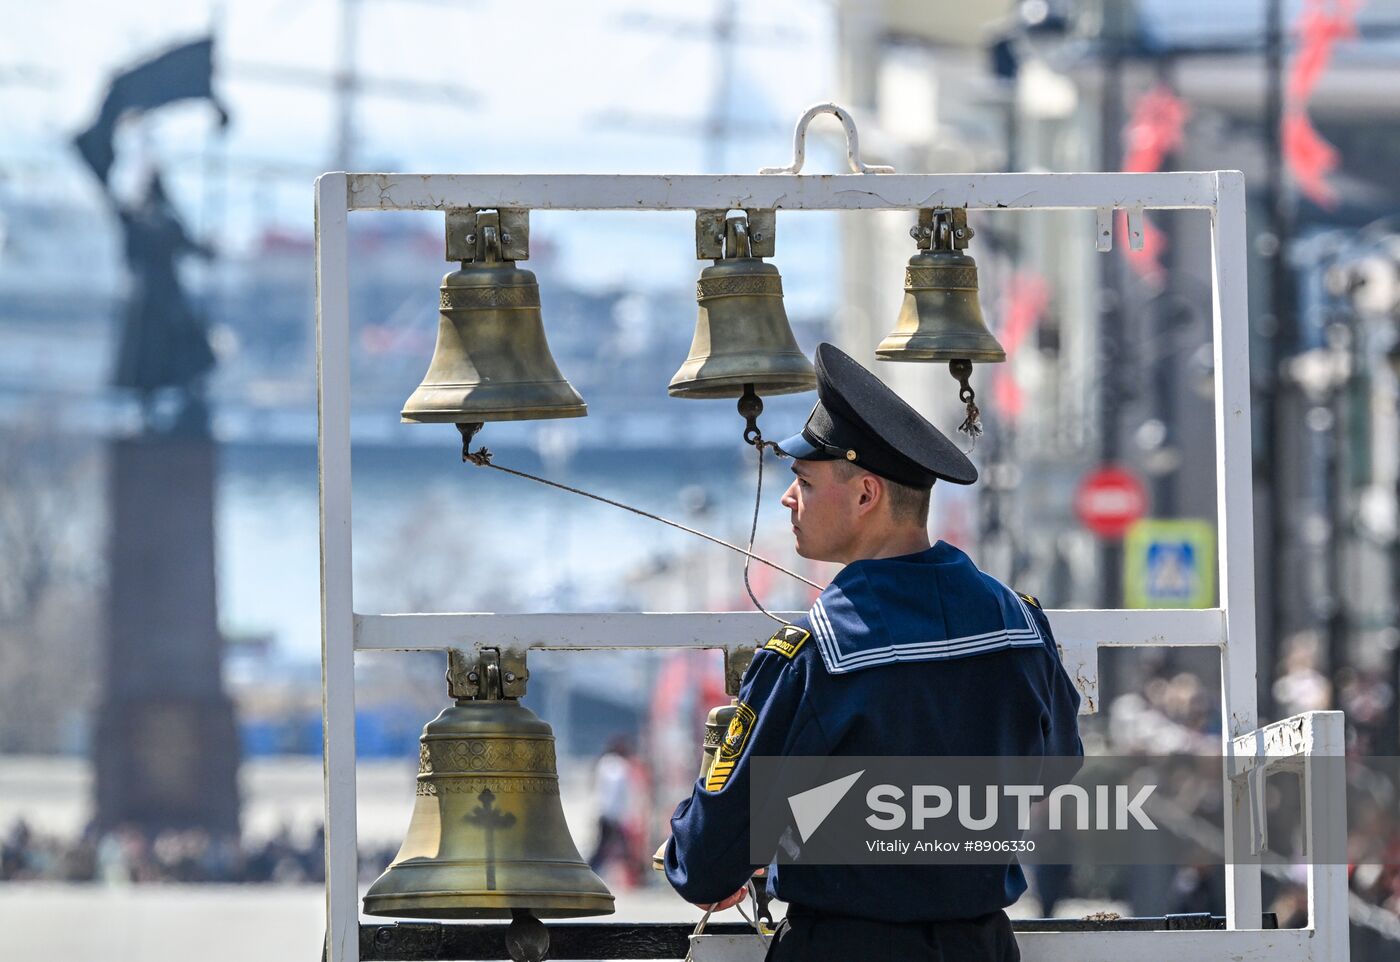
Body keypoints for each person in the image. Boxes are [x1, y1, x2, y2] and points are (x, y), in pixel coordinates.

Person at [661, 343, 1084, 962]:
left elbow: (704, 862)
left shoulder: (816, 655)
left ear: (865, 496)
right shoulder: (1019, 622)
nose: (788, 499)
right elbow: (1058, 764)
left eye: (804, 481)